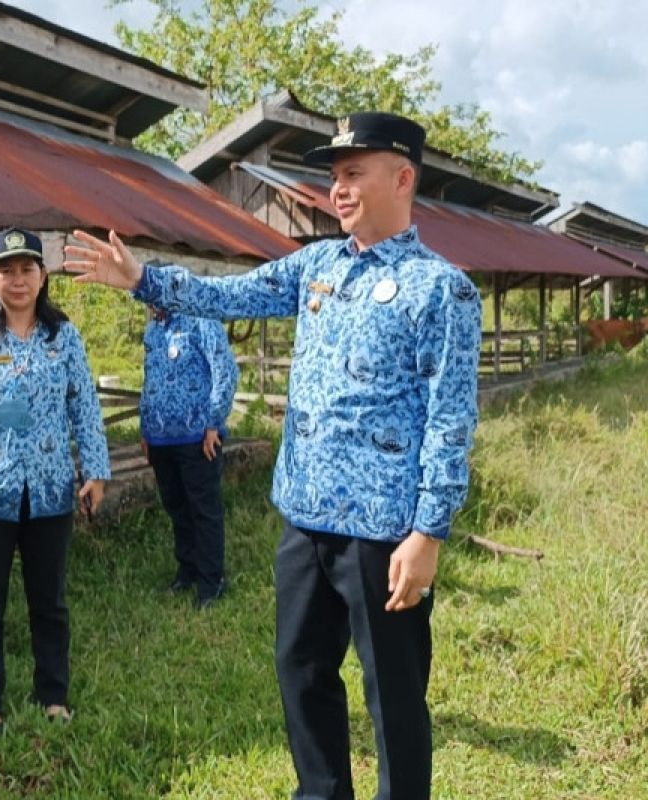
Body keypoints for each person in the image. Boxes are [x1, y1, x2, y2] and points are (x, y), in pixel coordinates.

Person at [65, 113, 481, 800]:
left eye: (354, 174)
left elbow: (450, 419)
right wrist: (142, 279)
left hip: (383, 529)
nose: (337, 190)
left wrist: (428, 531)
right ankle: (320, 792)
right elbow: (228, 296)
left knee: (394, 690)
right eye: (334, 176)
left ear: (403, 177)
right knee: (301, 667)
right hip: (305, 515)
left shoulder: (440, 289)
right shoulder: (317, 264)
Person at [0, 227, 111, 734]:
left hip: (52, 491)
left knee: (49, 601)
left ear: (42, 276)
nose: (17, 280)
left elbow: (84, 405)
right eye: (6, 270)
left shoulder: (64, 337)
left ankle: (52, 693)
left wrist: (95, 470)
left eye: (26, 269)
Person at [140, 306, 239, 609]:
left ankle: (212, 581)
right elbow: (149, 380)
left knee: (203, 510)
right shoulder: (153, 330)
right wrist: (145, 428)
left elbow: (226, 370)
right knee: (176, 507)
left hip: (198, 437)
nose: (150, 302)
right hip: (160, 437)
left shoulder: (201, 320)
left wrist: (215, 422)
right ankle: (188, 571)